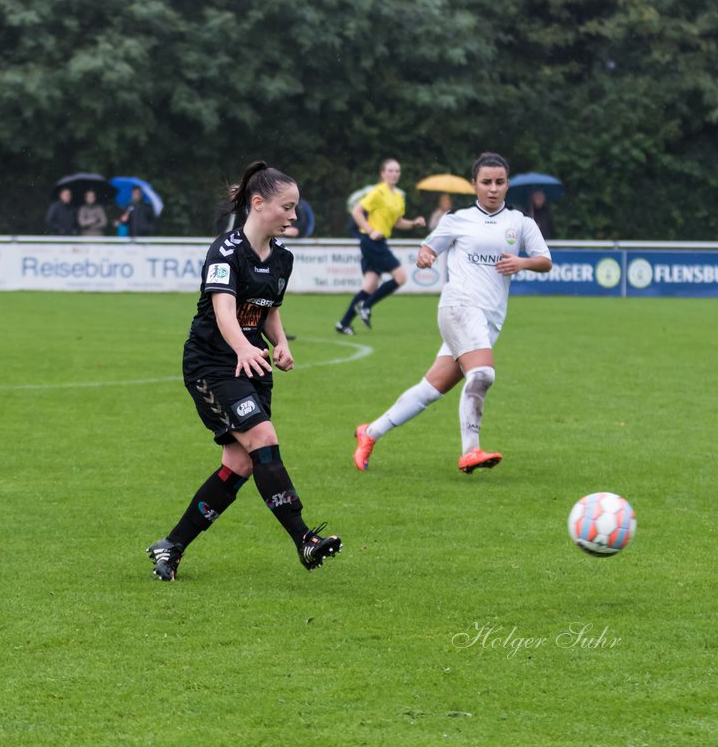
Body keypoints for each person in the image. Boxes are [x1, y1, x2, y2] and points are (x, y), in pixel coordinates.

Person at [146, 161, 342, 581]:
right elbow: (223, 311)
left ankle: (172, 545)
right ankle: (304, 538)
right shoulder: (225, 251)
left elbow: (267, 311)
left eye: (295, 208)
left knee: (240, 464)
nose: (294, 216)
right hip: (212, 366)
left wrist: (281, 343)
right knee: (263, 438)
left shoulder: (282, 259)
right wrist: (243, 347)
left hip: (250, 366)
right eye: (287, 207)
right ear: (258, 203)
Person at [351, 151, 552, 474]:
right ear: (474, 184)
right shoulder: (457, 218)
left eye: (499, 182)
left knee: (430, 390)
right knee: (483, 374)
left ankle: (370, 433)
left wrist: (523, 262)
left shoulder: (520, 222)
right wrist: (425, 256)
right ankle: (470, 450)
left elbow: (545, 260)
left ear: (507, 185)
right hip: (459, 306)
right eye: (486, 182)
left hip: (489, 320)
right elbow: (429, 247)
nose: (492, 188)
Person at [334, 158, 426, 335]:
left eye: (397, 171)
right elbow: (356, 211)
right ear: (382, 174)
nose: (394, 174)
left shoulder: (398, 196)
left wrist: (414, 223)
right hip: (372, 242)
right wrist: (370, 230)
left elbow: (398, 222)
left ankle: (343, 324)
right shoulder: (378, 192)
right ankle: (366, 306)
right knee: (401, 277)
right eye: (390, 171)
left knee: (370, 286)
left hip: (378, 242)